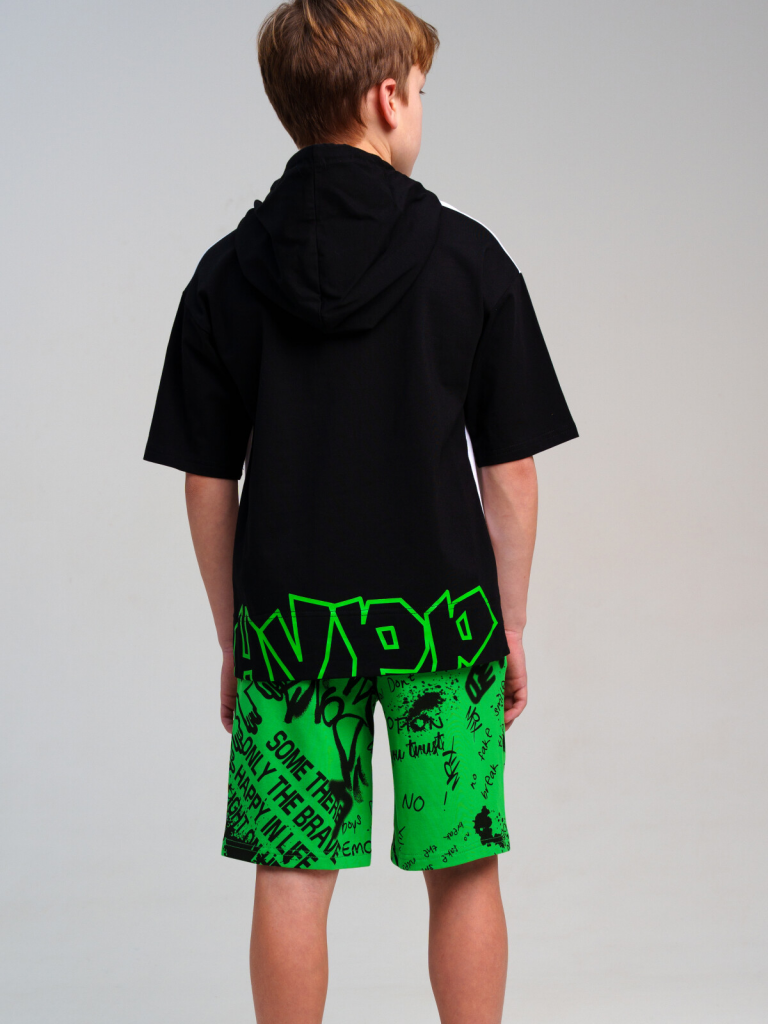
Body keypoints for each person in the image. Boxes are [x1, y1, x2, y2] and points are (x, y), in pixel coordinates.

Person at [144, 0, 578, 1020]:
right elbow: (510, 473)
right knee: (462, 866)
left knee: (293, 872)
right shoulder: (468, 260)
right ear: (387, 98)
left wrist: (235, 635)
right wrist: (510, 623)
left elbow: (207, 480)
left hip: (290, 627)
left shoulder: (226, 274)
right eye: (419, 92)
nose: (418, 107)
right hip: (444, 620)